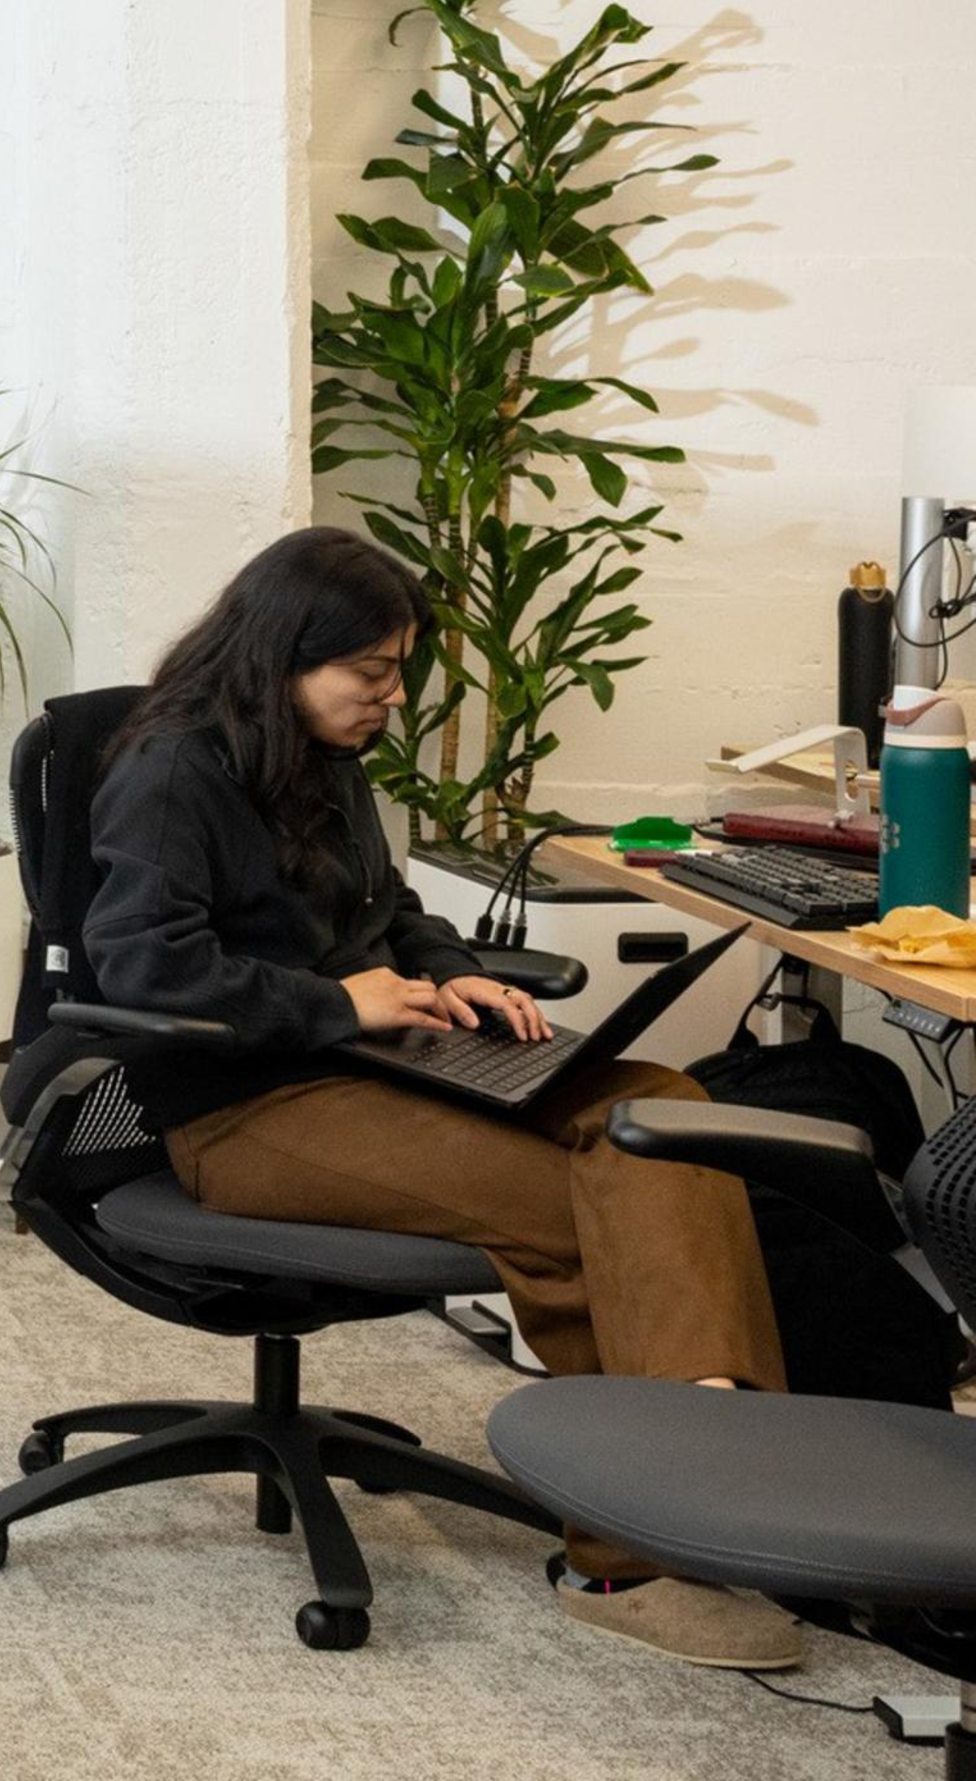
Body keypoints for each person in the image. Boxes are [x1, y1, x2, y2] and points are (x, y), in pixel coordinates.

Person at [86, 525, 798, 1670]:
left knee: (662, 1106)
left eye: (398, 669)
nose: (391, 695)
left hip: (377, 1062)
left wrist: (449, 966)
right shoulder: (171, 770)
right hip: (249, 1108)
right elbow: (145, 968)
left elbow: (387, 910)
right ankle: (633, 1556)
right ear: (281, 656)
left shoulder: (318, 755)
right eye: (370, 672)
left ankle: (709, 1453)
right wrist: (342, 1006)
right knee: (582, 1204)